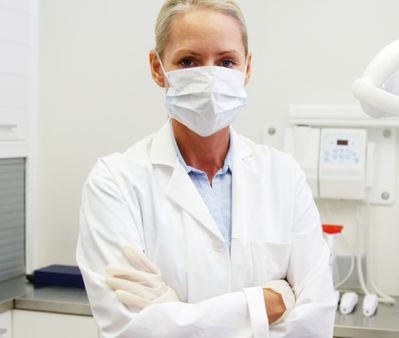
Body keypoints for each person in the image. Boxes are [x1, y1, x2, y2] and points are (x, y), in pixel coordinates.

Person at [75, 1, 336, 337]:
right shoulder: (115, 182)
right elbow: (130, 330)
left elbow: (315, 322)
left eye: (227, 61)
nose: (211, 76)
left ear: (247, 67)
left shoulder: (283, 175)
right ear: (158, 68)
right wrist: (261, 305)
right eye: (188, 61)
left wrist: (174, 313)